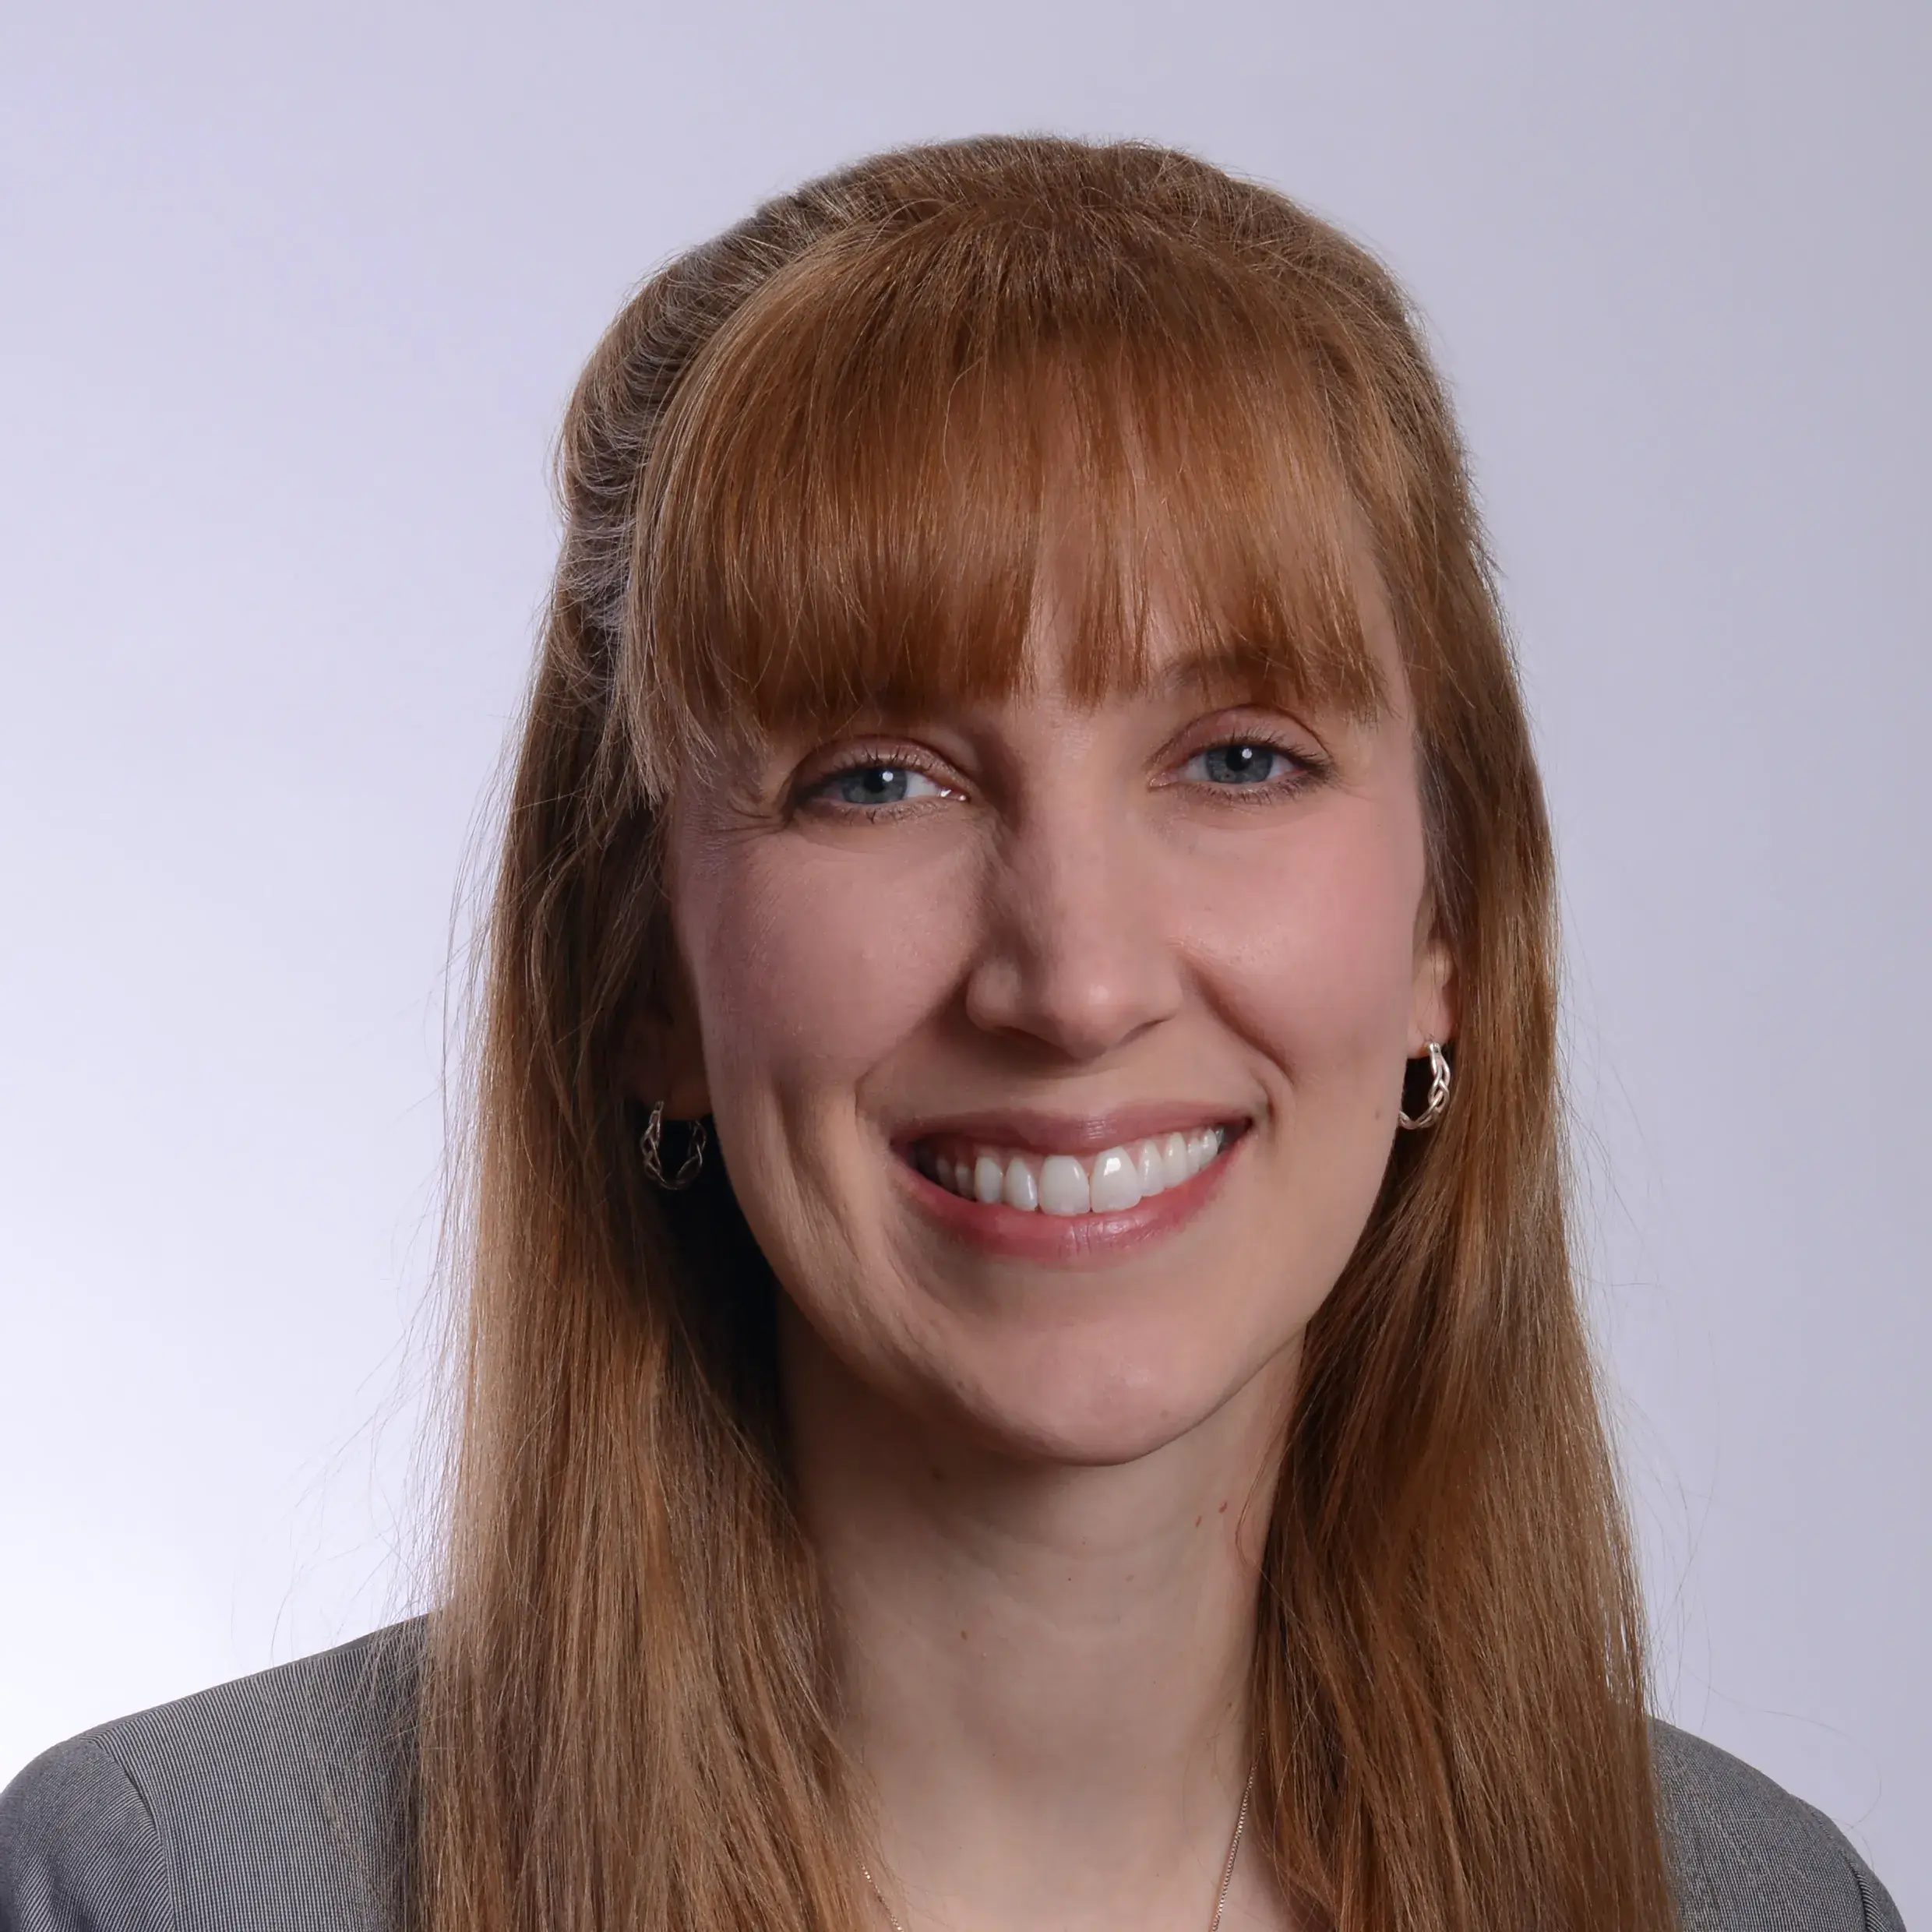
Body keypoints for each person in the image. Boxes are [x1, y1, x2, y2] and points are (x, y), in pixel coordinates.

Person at [0, 136, 1904, 1932]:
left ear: (1446, 936)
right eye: (878, 779)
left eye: (1238, 759)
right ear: (646, 980)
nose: (1073, 983)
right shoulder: (175, 1891)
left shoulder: (1754, 1905)